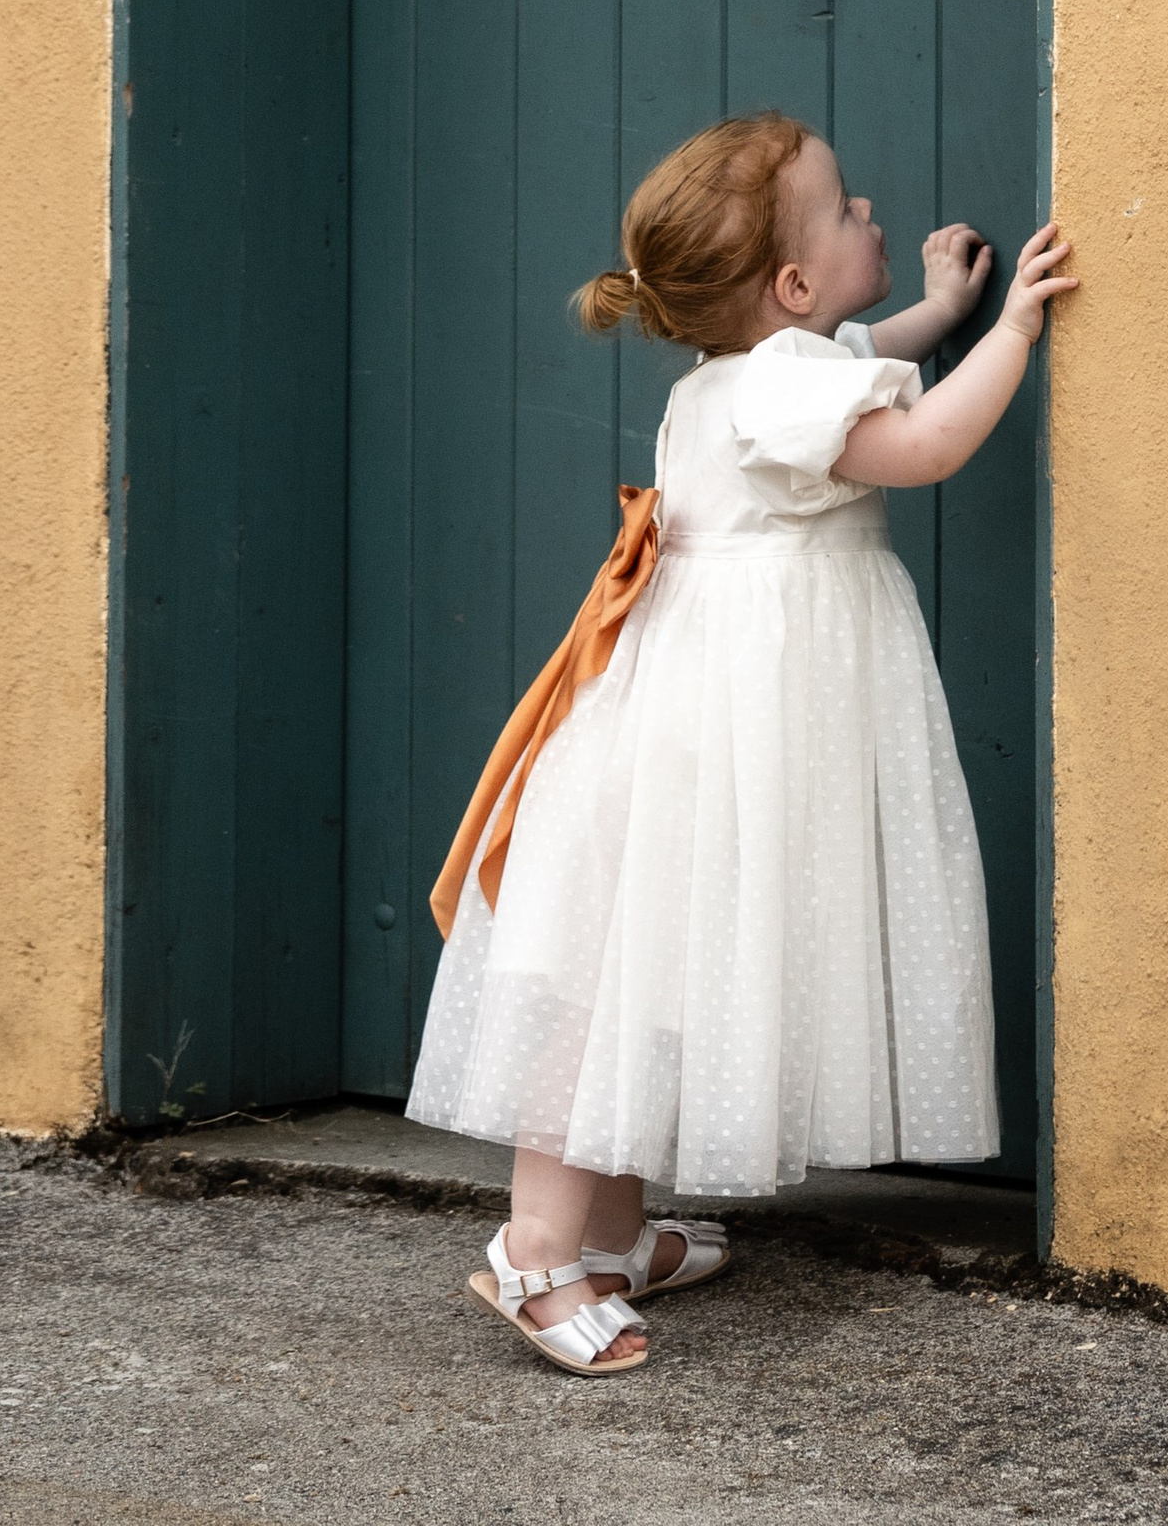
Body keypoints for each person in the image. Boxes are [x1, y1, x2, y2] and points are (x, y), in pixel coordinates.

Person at [407, 111, 1078, 1377]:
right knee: (619, 983)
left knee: (654, 969)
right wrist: (1013, 334)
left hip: (708, 722)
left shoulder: (752, 373)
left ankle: (609, 1238)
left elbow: (859, 358)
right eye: (843, 210)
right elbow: (922, 443)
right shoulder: (782, 383)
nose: (868, 210)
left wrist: (935, 312)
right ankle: (536, 1253)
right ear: (790, 284)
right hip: (730, 731)